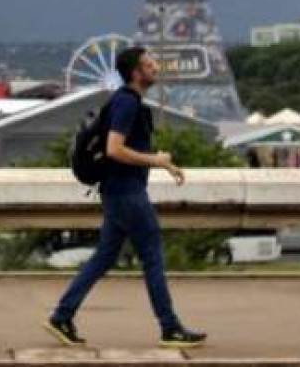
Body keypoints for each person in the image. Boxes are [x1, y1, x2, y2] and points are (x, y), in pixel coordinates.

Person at [45, 46, 207, 349]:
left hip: (117, 191)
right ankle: (169, 327)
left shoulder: (125, 101)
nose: (155, 67)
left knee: (104, 257)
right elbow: (114, 149)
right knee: (153, 257)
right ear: (136, 72)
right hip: (127, 193)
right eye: (149, 64)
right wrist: (156, 161)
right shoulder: (126, 103)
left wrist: (162, 162)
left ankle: (62, 316)